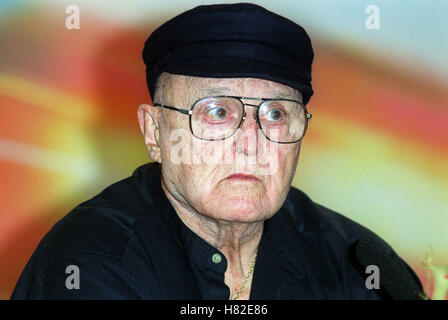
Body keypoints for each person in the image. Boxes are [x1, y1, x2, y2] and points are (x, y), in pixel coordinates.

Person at [11, 3, 418, 300]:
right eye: (218, 111)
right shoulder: (90, 263)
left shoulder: (353, 260)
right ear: (154, 132)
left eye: (275, 113)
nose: (251, 142)